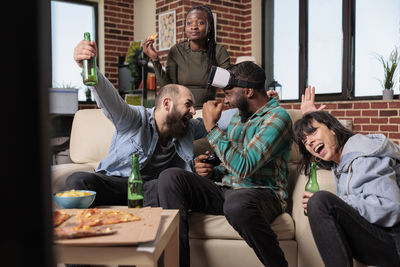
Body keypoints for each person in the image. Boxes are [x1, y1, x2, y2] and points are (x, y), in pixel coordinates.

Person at [157, 61, 293, 267]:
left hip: (262, 193)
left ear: (248, 92)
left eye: (229, 93)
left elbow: (244, 166)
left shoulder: (278, 118)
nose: (226, 99)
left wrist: (211, 126)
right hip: (227, 190)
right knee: (171, 177)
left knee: (237, 204)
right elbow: (228, 166)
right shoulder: (239, 119)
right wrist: (211, 171)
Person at [293, 87, 400, 267]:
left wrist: (338, 202)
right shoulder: (340, 164)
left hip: (394, 243)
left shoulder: (363, 156)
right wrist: (311, 117)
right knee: (318, 202)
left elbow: (392, 208)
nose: (309, 142)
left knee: (321, 201)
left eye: (313, 132)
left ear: (333, 129)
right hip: (378, 240)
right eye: (305, 141)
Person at [142, 4, 231, 107]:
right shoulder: (176, 51)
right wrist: (154, 59)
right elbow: (167, 88)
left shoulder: (218, 51)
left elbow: (228, 83)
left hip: (206, 110)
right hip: (180, 110)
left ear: (209, 27)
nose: (193, 27)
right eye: (189, 23)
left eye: (200, 23)